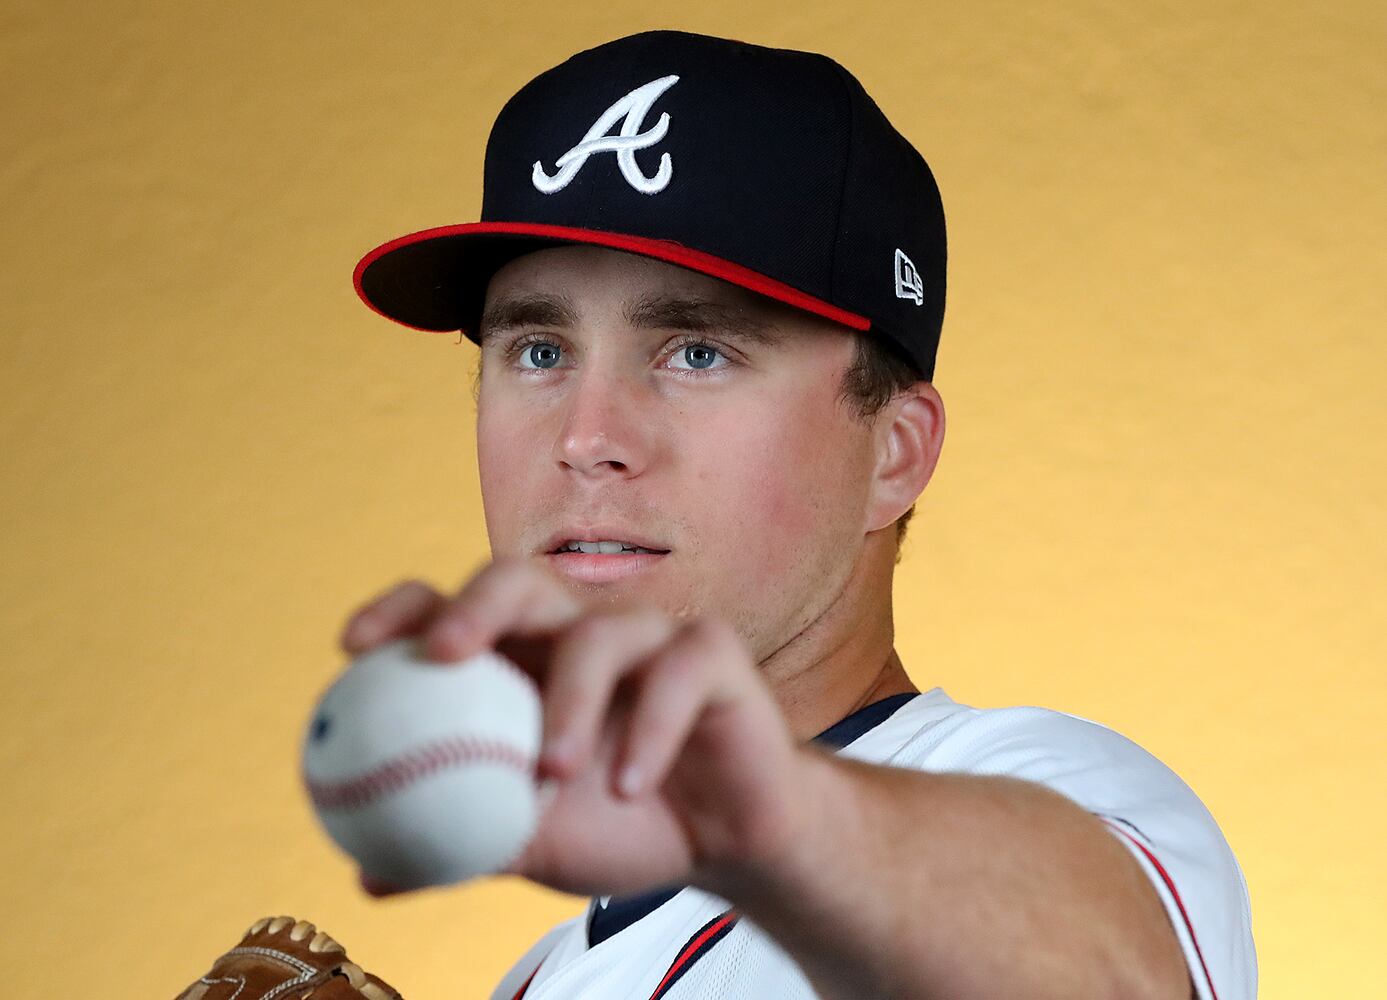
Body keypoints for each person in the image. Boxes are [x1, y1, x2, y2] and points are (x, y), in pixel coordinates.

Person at [340, 29, 1256, 1000]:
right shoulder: (542, 976)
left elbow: (1102, 970)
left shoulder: (1052, 798)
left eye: (695, 351)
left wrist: (756, 811)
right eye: (537, 349)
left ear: (893, 452)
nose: (586, 435)